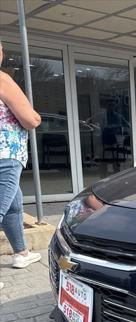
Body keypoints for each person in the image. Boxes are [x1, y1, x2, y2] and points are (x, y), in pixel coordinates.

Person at [0, 39, 42, 269]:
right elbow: (29, 119)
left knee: (13, 205)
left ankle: (21, 252)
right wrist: (37, 118)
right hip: (5, 154)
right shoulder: (2, 79)